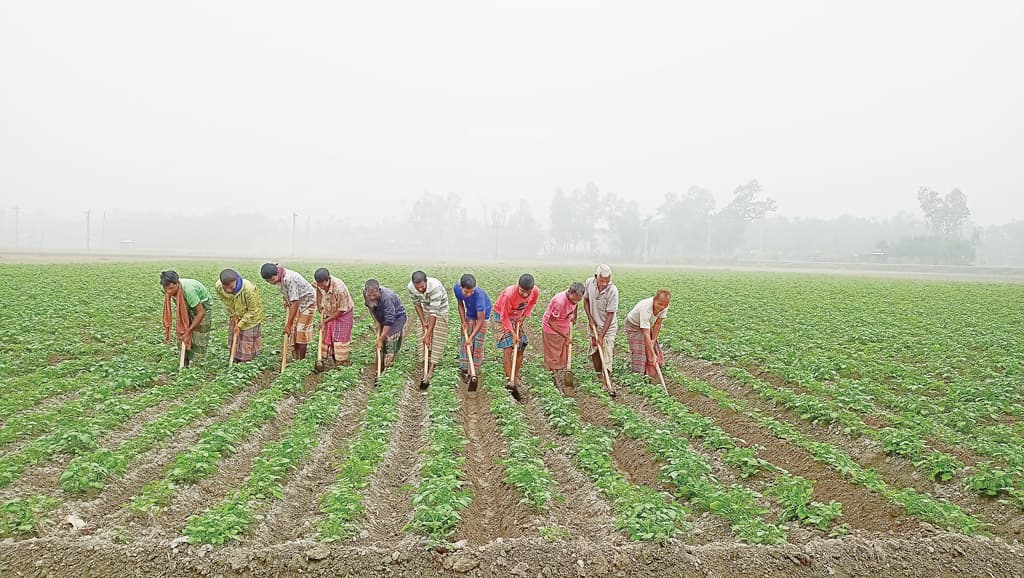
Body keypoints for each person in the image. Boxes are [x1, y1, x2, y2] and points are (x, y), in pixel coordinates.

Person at [493, 274, 540, 395]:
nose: (525, 295)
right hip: (503, 316)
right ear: (518, 286)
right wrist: (513, 333)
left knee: (521, 346)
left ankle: (515, 374)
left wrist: (524, 316)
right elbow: (504, 317)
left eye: (527, 292)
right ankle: (510, 379)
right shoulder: (509, 295)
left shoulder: (535, 291)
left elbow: (531, 304)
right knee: (508, 347)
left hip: (517, 316)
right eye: (522, 291)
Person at [260, 263, 317, 361]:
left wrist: (288, 325)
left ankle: (301, 361)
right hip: (296, 302)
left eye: (272, 280)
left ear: (277, 273)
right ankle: (295, 358)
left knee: (300, 330)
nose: (271, 283)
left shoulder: (289, 279)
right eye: (268, 281)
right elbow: (288, 294)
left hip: (308, 302)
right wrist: (286, 300)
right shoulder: (279, 277)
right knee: (294, 331)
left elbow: (295, 302)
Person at [160, 270, 213, 367]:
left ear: (178, 283)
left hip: (203, 306)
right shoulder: (165, 288)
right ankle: (184, 362)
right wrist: (186, 331)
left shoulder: (189, 290)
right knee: (182, 332)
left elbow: (201, 312)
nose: (169, 292)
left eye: (171, 288)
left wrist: (189, 331)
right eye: (166, 289)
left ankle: (197, 365)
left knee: (199, 336)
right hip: (185, 305)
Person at [407, 270, 449, 386]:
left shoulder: (435, 288)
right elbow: (417, 304)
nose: (420, 289)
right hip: (425, 308)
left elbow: (433, 314)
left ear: (426, 282)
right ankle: (425, 363)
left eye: (422, 287)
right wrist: (423, 322)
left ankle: (431, 367)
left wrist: (428, 334)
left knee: (437, 338)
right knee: (422, 335)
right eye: (418, 287)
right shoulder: (411, 287)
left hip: (440, 310)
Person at [216, 268, 266, 363]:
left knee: (246, 341)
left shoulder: (248, 289)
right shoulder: (218, 287)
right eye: (225, 287)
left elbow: (253, 310)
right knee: (234, 338)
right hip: (235, 315)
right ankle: (234, 360)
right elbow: (226, 301)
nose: (228, 290)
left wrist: (240, 324)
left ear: (236, 280)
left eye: (231, 287)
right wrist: (233, 314)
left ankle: (246, 363)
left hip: (251, 318)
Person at [541, 282, 585, 385]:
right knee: (553, 353)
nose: (575, 302)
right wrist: (565, 336)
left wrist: (574, 316)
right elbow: (551, 322)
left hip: (563, 326)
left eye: (578, 300)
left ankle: (557, 371)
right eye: (574, 299)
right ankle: (553, 376)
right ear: (569, 292)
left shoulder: (575, 298)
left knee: (562, 352)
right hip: (552, 329)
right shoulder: (559, 302)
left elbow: (575, 305)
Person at [452, 273, 491, 389]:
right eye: (466, 292)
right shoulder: (457, 289)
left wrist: (472, 336)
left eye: (471, 292)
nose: (468, 294)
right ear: (461, 288)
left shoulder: (479, 297)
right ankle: (465, 369)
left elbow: (480, 320)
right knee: (465, 341)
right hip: (469, 313)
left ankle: (474, 371)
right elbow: (460, 304)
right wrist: (463, 320)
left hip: (482, 316)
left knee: (477, 342)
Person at [625, 290, 671, 378]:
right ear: (654, 299)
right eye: (659, 304)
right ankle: (638, 376)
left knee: (653, 347)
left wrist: (653, 341)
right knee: (640, 350)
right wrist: (651, 354)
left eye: (664, 305)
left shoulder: (665, 306)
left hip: (647, 325)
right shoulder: (646, 307)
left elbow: (657, 324)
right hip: (633, 326)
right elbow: (645, 333)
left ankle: (651, 375)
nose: (662, 307)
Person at [363, 279, 408, 370]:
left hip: (397, 318)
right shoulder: (365, 293)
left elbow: (389, 320)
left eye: (374, 295)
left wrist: (380, 338)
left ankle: (388, 367)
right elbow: (370, 307)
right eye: (369, 295)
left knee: (389, 339)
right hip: (381, 315)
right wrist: (377, 321)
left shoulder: (387, 298)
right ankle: (379, 364)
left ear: (379, 291)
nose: (372, 298)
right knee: (381, 340)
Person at [583, 264, 619, 375]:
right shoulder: (589, 283)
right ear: (595, 277)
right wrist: (590, 319)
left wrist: (602, 335)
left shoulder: (612, 291)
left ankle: (606, 379)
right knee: (595, 349)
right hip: (594, 324)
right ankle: (598, 374)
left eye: (607, 281)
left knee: (607, 353)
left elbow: (610, 314)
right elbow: (586, 300)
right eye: (601, 280)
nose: (604, 284)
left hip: (608, 327)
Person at [313, 268, 354, 366]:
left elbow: (341, 310)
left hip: (343, 314)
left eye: (323, 285)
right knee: (329, 336)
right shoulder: (319, 283)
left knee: (340, 339)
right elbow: (318, 290)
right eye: (320, 285)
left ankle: (340, 362)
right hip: (329, 309)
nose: (322, 287)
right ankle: (332, 358)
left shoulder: (339, 290)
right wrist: (319, 303)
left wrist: (325, 321)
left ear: (328, 279)